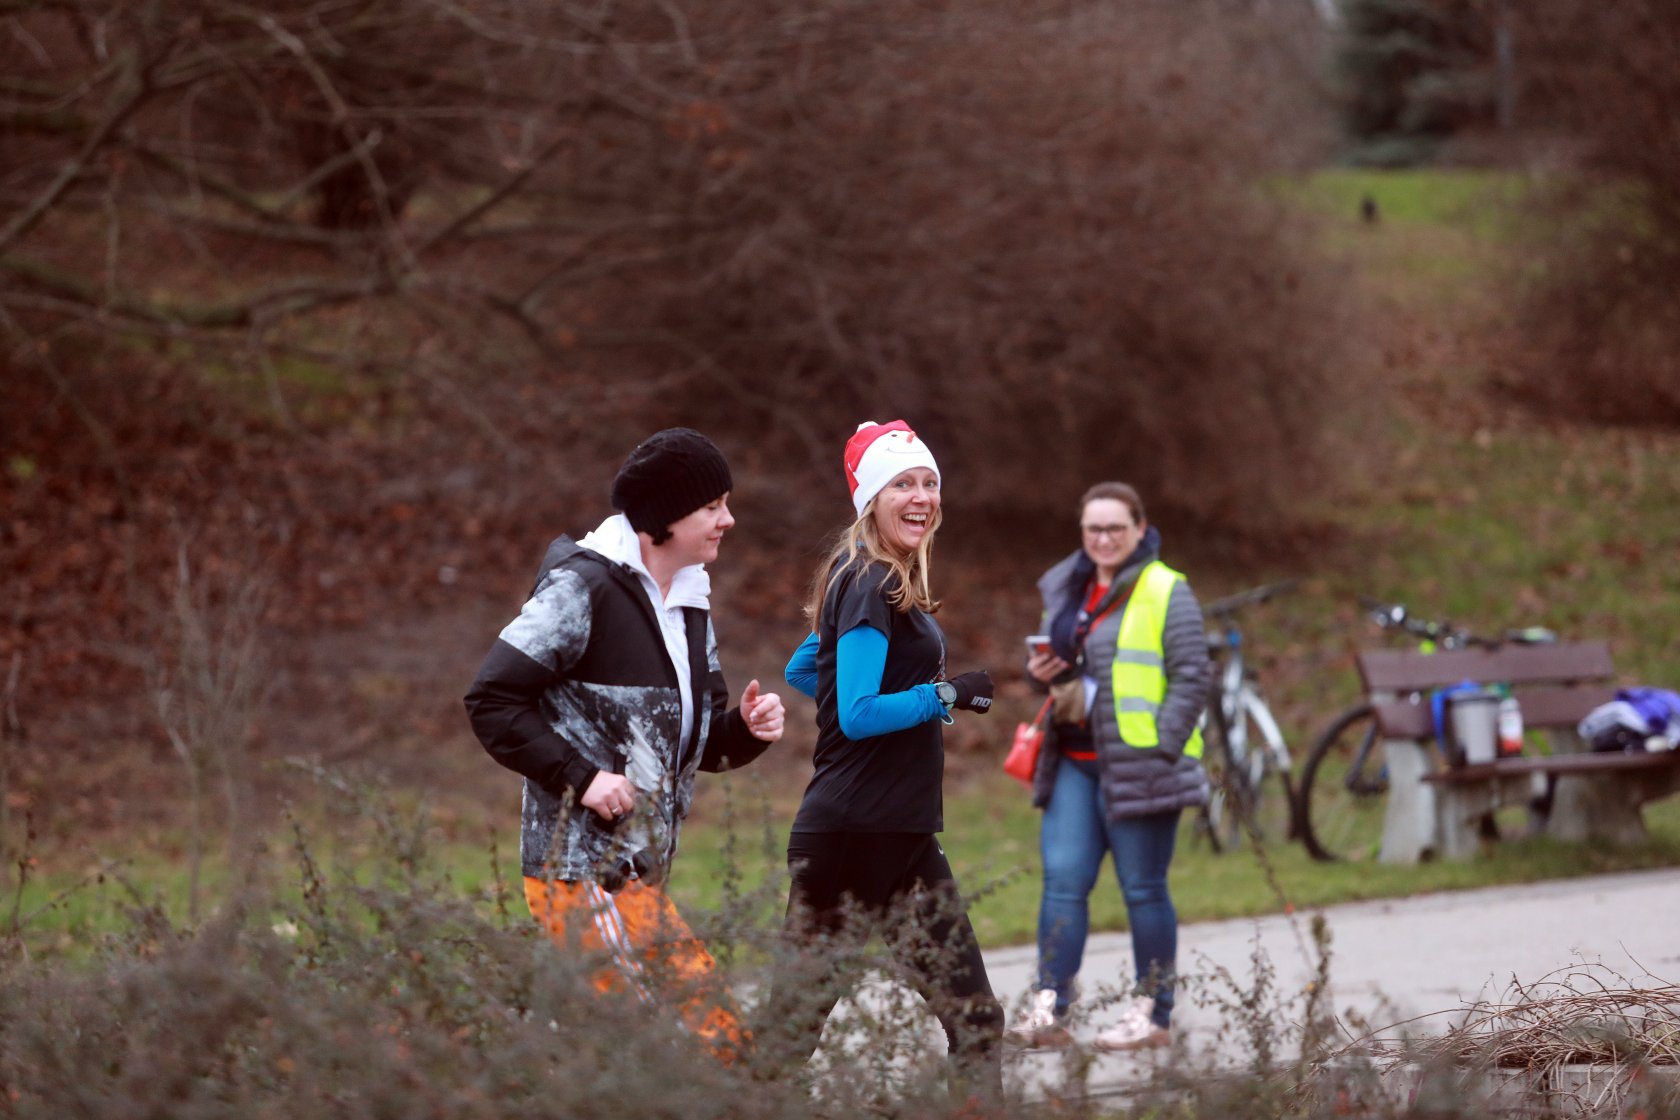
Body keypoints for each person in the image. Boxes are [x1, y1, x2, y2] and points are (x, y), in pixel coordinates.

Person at [463, 427, 785, 1060]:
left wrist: (744, 731)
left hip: (636, 876)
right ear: (663, 518)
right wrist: (582, 778)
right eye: (713, 506)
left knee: (681, 1051)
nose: (729, 519)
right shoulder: (581, 591)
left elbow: (697, 747)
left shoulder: (689, 601)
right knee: (694, 1051)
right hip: (578, 875)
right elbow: (491, 701)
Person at [764, 419, 1004, 1095]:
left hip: (896, 834)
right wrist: (945, 693)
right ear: (872, 497)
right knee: (790, 1031)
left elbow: (804, 668)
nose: (921, 496)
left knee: (976, 1017)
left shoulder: (872, 578)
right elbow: (859, 712)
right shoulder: (870, 581)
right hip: (853, 835)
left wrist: (907, 699)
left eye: (929, 482)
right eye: (904, 483)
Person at [1003, 481, 1211, 1053]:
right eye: (1093, 528)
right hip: (1072, 758)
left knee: (1143, 890)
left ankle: (1152, 1013)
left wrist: (1162, 747)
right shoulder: (1066, 587)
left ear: (1140, 529)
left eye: (1116, 527)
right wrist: (1039, 673)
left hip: (1140, 765)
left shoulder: (1167, 589)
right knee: (1063, 883)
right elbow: (1063, 670)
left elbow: (1194, 675)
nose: (1104, 538)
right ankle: (1051, 1007)